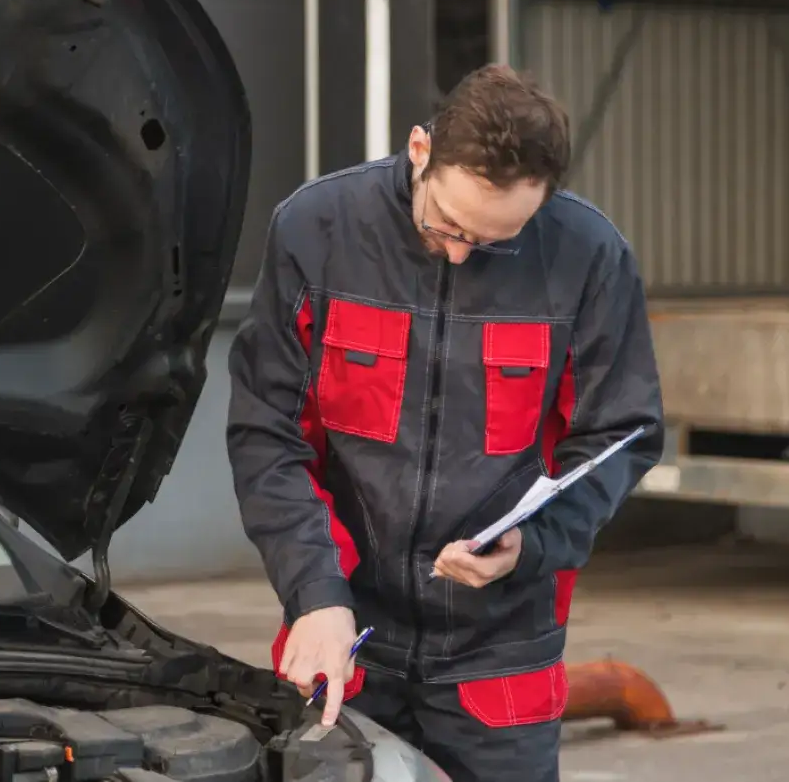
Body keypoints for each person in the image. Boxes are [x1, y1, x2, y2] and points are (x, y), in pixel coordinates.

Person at [225, 64, 663, 782]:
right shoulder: (317, 230)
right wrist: (314, 594)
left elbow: (623, 437)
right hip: (347, 634)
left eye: (495, 240)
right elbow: (266, 434)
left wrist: (531, 541)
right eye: (449, 225)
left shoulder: (588, 257)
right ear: (420, 150)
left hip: (501, 655)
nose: (463, 250)